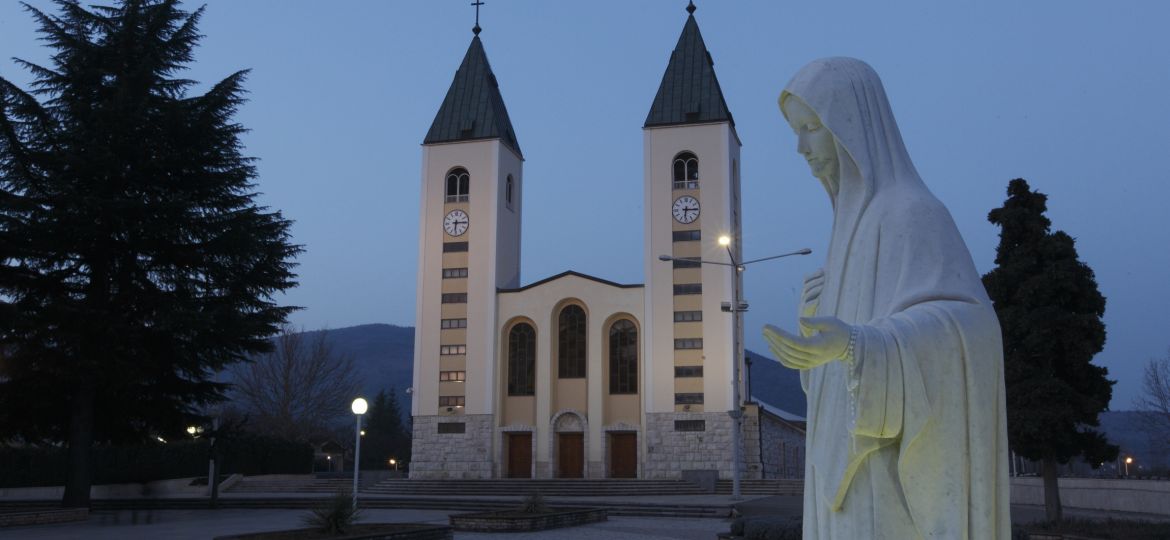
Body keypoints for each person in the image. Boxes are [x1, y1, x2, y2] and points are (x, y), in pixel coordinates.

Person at [764, 57, 1010, 539]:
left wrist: (861, 345)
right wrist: (818, 342)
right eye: (797, 130)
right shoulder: (845, 232)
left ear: (852, 126)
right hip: (841, 472)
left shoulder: (911, 214)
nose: (800, 147)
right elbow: (836, 379)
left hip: (883, 473)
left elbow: (972, 328)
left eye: (812, 127)